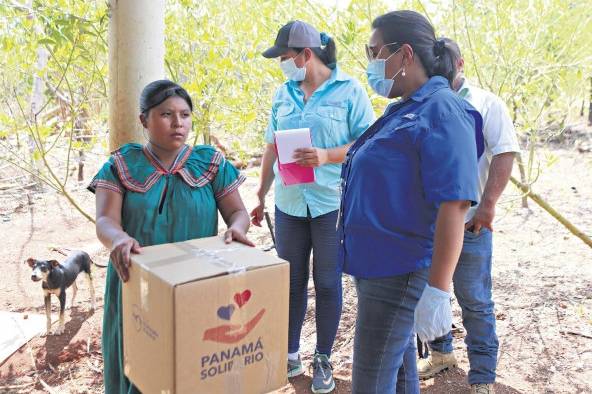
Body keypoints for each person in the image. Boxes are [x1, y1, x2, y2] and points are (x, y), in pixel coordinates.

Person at [338, 10, 485, 393]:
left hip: (398, 270)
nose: (370, 65)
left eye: (375, 53)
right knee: (400, 369)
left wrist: (438, 289)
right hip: (377, 266)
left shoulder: (443, 109)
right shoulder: (403, 108)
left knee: (370, 380)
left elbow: (454, 202)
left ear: (404, 54)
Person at [89, 80, 253, 394]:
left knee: (194, 360)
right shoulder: (121, 165)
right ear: (144, 120)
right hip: (137, 281)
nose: (178, 123)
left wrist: (237, 229)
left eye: (185, 115)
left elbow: (237, 213)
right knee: (142, 363)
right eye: (166, 114)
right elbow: (106, 221)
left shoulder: (210, 163)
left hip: (196, 281)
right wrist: (119, 239)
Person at [250, 20, 374, 394]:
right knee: (289, 281)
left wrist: (326, 155)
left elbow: (366, 144)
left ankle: (323, 357)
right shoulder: (282, 94)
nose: (282, 65)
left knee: (327, 281)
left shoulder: (349, 91)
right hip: (289, 202)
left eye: (286, 57)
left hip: (330, 204)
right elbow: (272, 146)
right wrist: (259, 194)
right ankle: (289, 353)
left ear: (306, 55)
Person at [416, 38, 519, 394]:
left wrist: (489, 206)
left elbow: (505, 152)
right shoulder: (425, 102)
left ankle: (483, 376)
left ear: (460, 63)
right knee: (433, 290)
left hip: (471, 220)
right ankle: (441, 353)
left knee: (474, 298)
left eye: (447, 62)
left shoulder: (486, 103)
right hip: (429, 222)